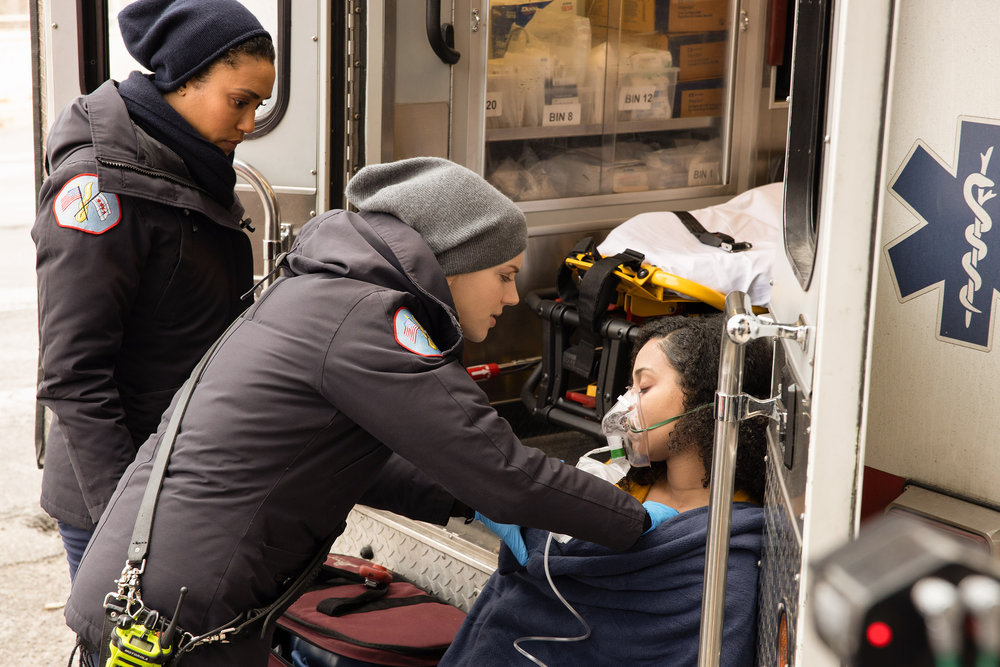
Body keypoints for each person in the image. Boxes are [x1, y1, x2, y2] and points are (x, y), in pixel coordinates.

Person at [64, 157, 672, 666]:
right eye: (505, 275)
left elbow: (343, 462)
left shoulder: (327, 293)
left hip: (157, 597)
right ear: (452, 263)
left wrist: (465, 499)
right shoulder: (369, 319)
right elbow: (506, 471)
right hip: (175, 621)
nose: (513, 298)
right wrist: (642, 525)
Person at [32, 0, 276, 581]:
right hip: (121, 495)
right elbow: (73, 375)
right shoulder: (100, 191)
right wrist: (129, 521)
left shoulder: (183, 164)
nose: (248, 125)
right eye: (239, 103)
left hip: (181, 479)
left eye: (259, 108)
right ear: (183, 80)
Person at [440, 314, 771, 666]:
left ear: (708, 398)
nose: (625, 404)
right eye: (630, 388)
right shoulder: (622, 482)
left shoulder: (732, 545)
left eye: (643, 388)